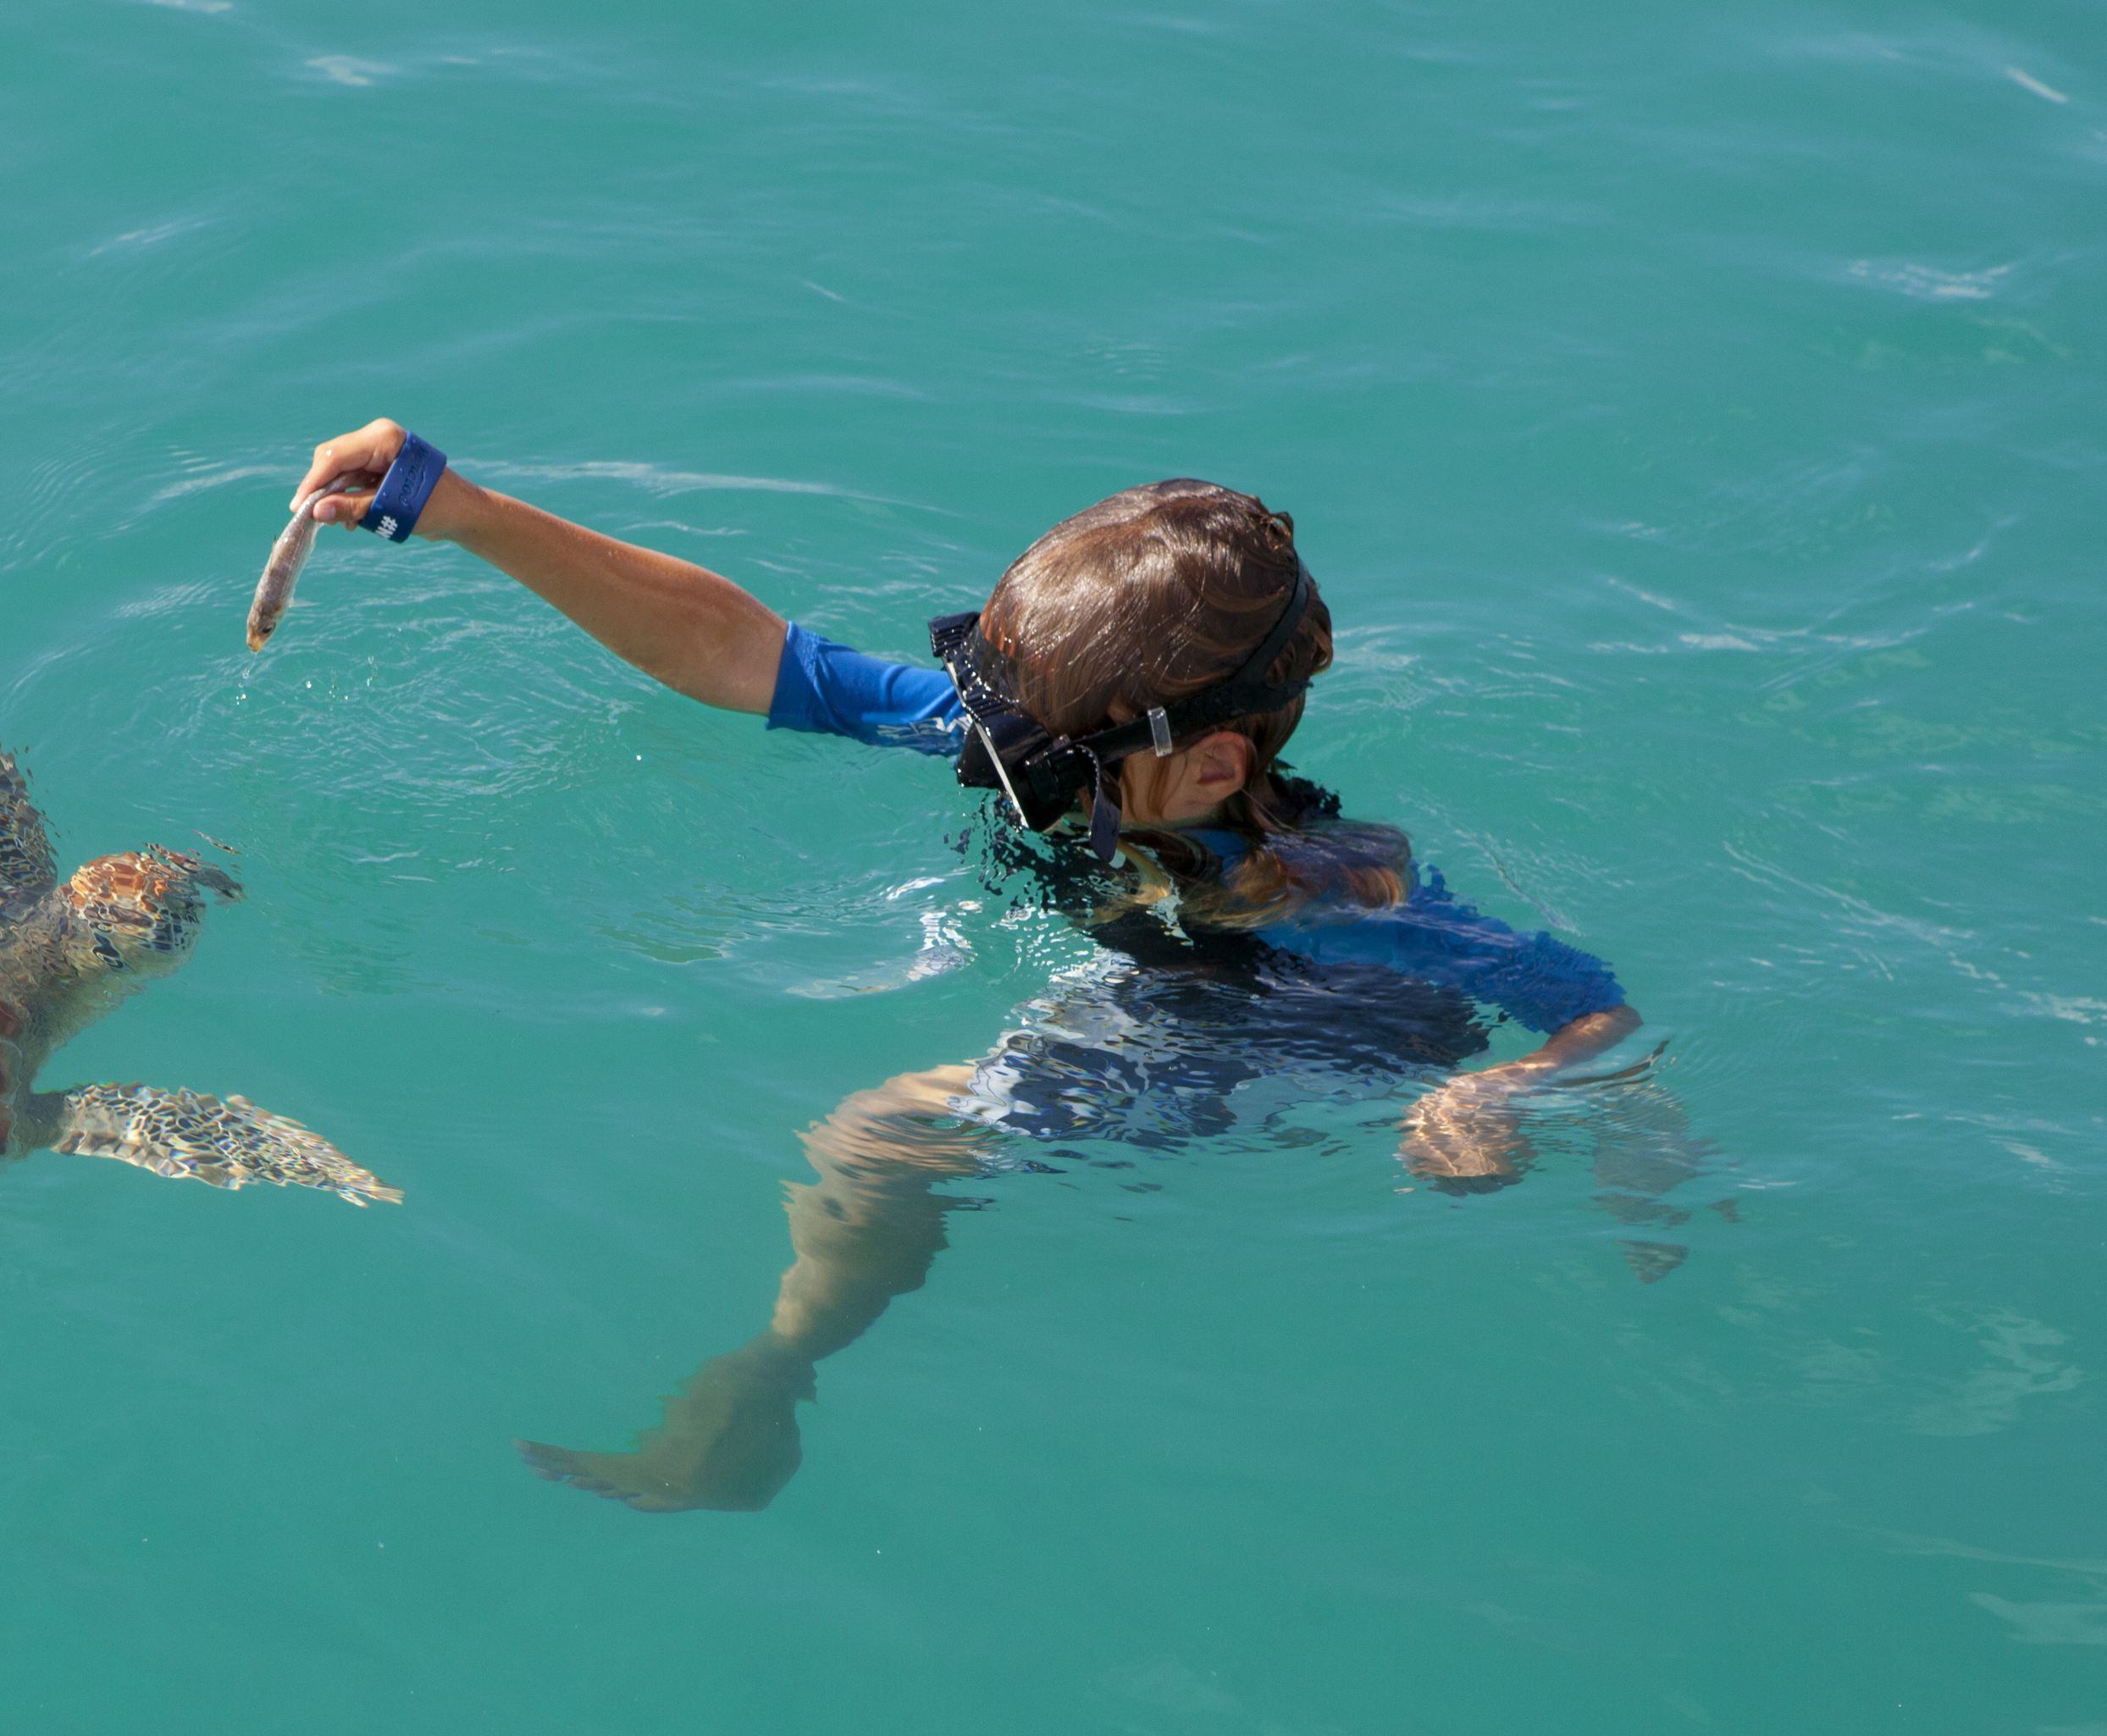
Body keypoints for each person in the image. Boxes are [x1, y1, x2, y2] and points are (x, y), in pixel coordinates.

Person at [281, 420, 1695, 1512]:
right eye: (1002, 725)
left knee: (882, 1129)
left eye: (1046, 758)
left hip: (1287, 1022)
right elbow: (746, 653)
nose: (1001, 764)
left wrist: (1508, 1097)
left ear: (1211, 763)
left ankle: (769, 1385)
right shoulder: (1040, 737)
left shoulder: (1333, 896)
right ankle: (773, 1383)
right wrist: (457, 508)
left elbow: (1603, 1011)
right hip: (1147, 966)